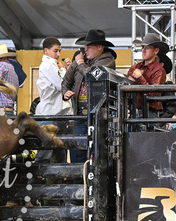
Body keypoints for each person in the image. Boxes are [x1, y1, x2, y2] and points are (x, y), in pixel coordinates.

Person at [62, 29, 116, 163]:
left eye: (89, 46)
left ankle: (90, 181)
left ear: (99, 47)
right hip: (80, 115)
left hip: (97, 116)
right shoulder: (81, 61)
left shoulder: (107, 60)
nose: (85, 49)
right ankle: (78, 180)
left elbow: (93, 76)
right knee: (76, 150)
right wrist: (65, 92)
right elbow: (66, 81)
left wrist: (80, 63)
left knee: (96, 151)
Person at [35, 36, 71, 164]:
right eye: (55, 51)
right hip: (51, 114)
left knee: (55, 153)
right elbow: (61, 84)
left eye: (59, 51)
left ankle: (36, 182)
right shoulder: (49, 64)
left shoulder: (50, 64)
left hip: (54, 113)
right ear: (46, 51)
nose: (58, 54)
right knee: (49, 153)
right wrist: (63, 70)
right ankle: (36, 182)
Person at [127, 33, 168, 118]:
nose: (143, 50)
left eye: (147, 48)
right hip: (135, 111)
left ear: (156, 51)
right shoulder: (137, 66)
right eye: (143, 47)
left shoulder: (159, 70)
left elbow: (153, 94)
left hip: (150, 113)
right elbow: (127, 81)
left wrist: (139, 78)